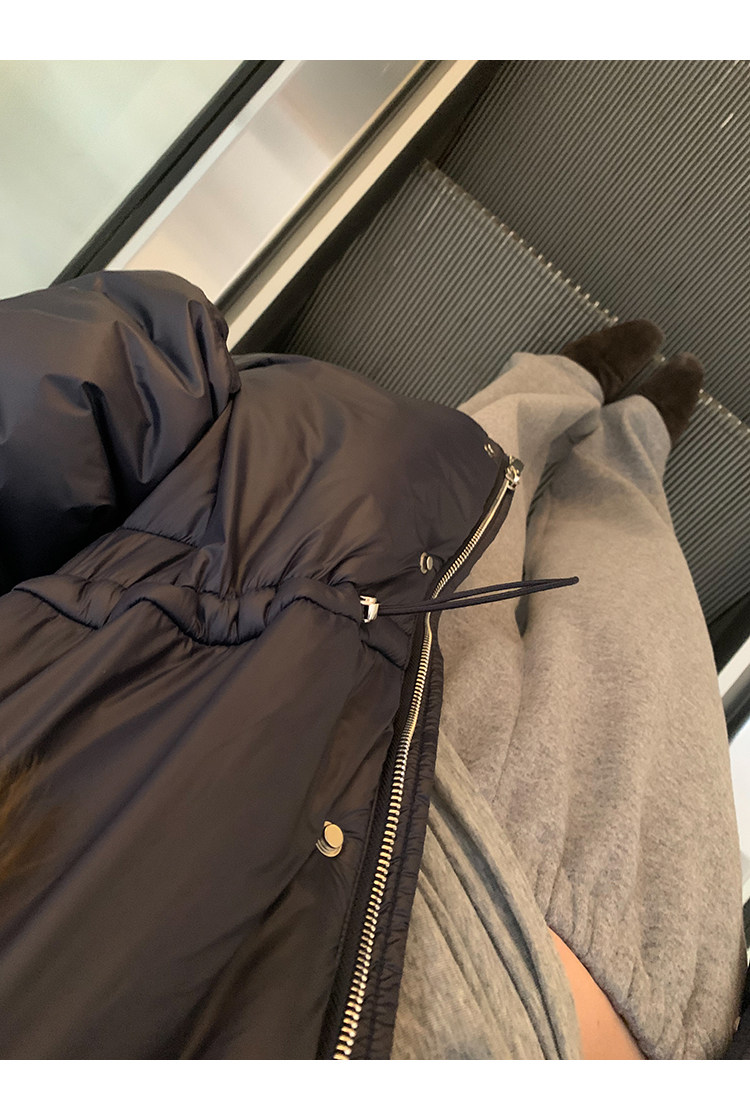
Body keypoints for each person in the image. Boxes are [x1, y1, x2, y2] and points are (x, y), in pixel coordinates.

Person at [0, 274, 745, 1059]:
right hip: (617, 987)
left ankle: (564, 380)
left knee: (476, 469)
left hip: (320, 690)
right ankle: (635, 441)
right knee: (633, 558)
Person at [391, 322, 747, 1060]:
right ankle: (631, 443)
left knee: (450, 492)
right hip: (638, 963)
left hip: (363, 797)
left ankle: (560, 382)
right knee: (636, 587)